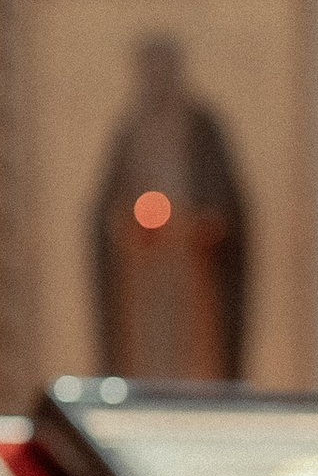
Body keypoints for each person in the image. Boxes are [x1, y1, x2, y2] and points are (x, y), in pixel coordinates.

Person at [88, 30, 249, 384]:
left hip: (192, 262)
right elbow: (107, 208)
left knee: (192, 346)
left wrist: (200, 223)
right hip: (141, 268)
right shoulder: (131, 129)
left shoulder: (202, 126)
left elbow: (224, 205)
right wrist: (129, 224)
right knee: (147, 346)